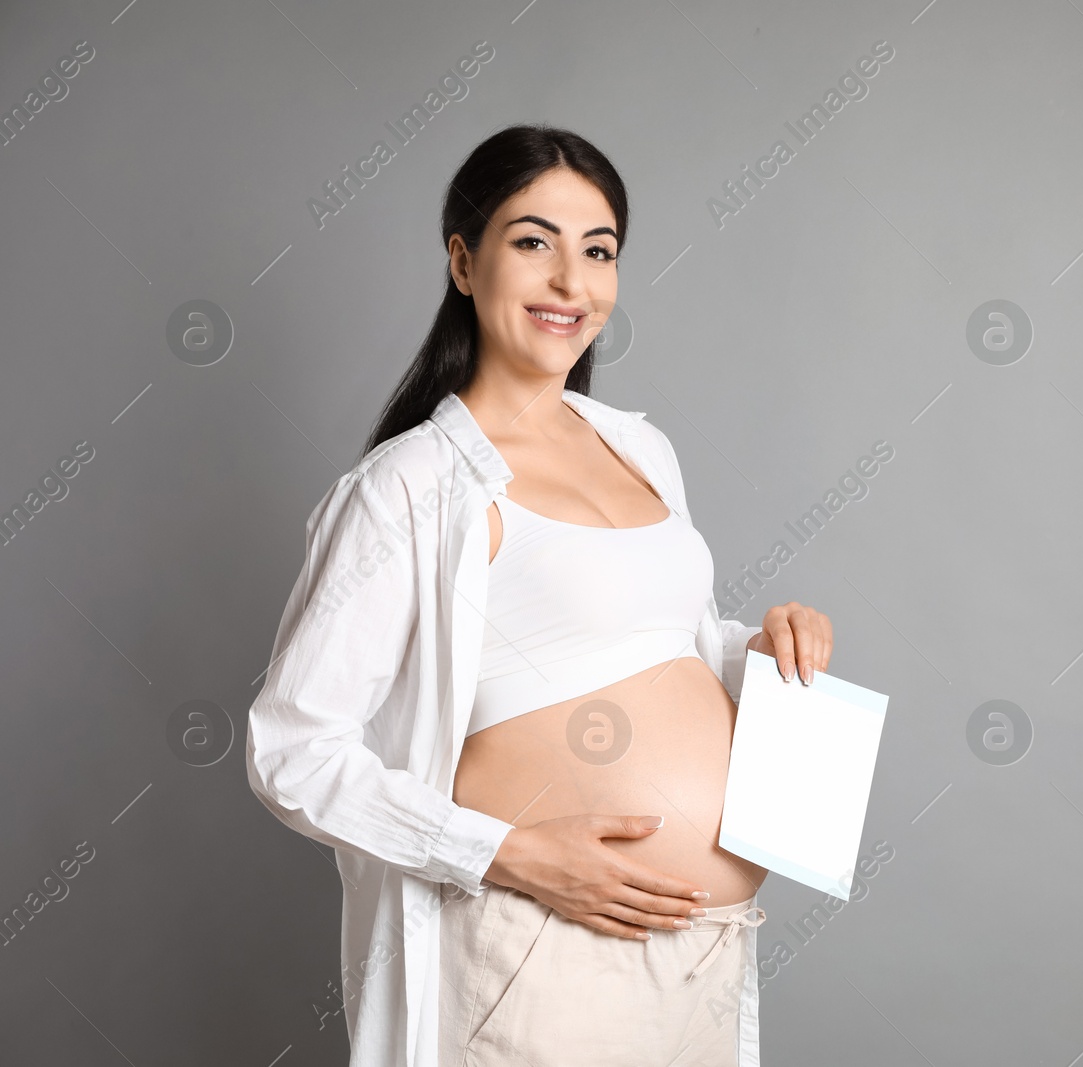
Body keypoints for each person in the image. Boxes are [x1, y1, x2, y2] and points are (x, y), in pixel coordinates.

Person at [245, 124, 832, 1067]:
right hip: (536, 954)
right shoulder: (409, 488)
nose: (571, 281)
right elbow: (293, 751)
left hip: (705, 958)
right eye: (533, 242)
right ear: (464, 261)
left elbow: (652, 643)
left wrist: (762, 648)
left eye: (598, 251)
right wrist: (506, 853)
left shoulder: (642, 450)